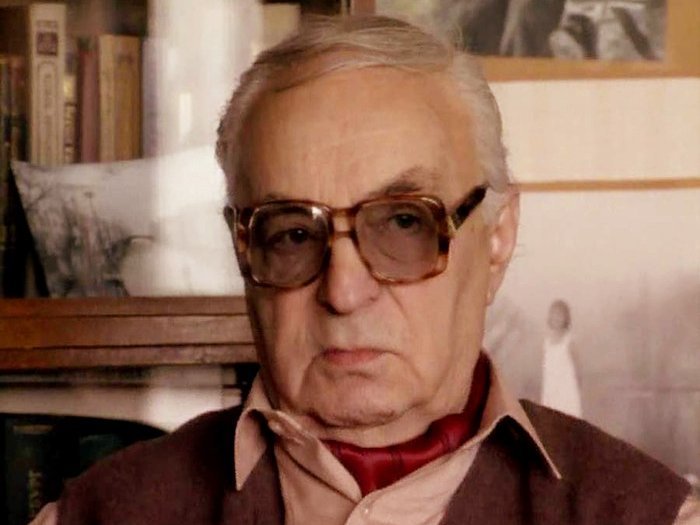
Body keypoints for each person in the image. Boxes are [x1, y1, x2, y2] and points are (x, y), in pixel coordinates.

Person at [32, 14, 699, 525]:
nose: (344, 291)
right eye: (294, 233)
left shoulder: (651, 514)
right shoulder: (96, 516)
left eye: (404, 223)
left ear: (497, 237)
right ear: (243, 250)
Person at [540, 299, 582, 418]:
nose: (556, 318)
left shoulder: (569, 341)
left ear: (566, 318)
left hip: (566, 389)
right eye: (553, 314)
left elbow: (578, 369)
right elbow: (546, 369)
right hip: (551, 388)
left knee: (568, 418)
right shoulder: (546, 343)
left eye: (560, 315)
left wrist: (575, 388)